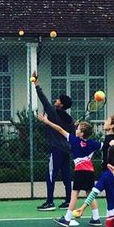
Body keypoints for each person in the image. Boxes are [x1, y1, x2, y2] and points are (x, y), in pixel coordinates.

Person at [37, 111, 102, 227]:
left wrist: (46, 121)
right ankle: (96, 218)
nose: (76, 129)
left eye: (78, 129)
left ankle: (67, 219)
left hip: (80, 171)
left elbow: (60, 129)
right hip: (90, 172)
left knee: (74, 195)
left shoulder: (74, 140)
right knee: (89, 194)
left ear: (81, 134)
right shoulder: (93, 143)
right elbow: (107, 144)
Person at [31, 72, 74, 211]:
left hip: (56, 149)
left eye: (58, 100)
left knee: (50, 175)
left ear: (61, 104)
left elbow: (43, 100)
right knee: (67, 175)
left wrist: (36, 85)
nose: (55, 100)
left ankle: (50, 202)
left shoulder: (54, 112)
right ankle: (68, 201)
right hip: (67, 150)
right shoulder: (70, 119)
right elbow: (71, 135)